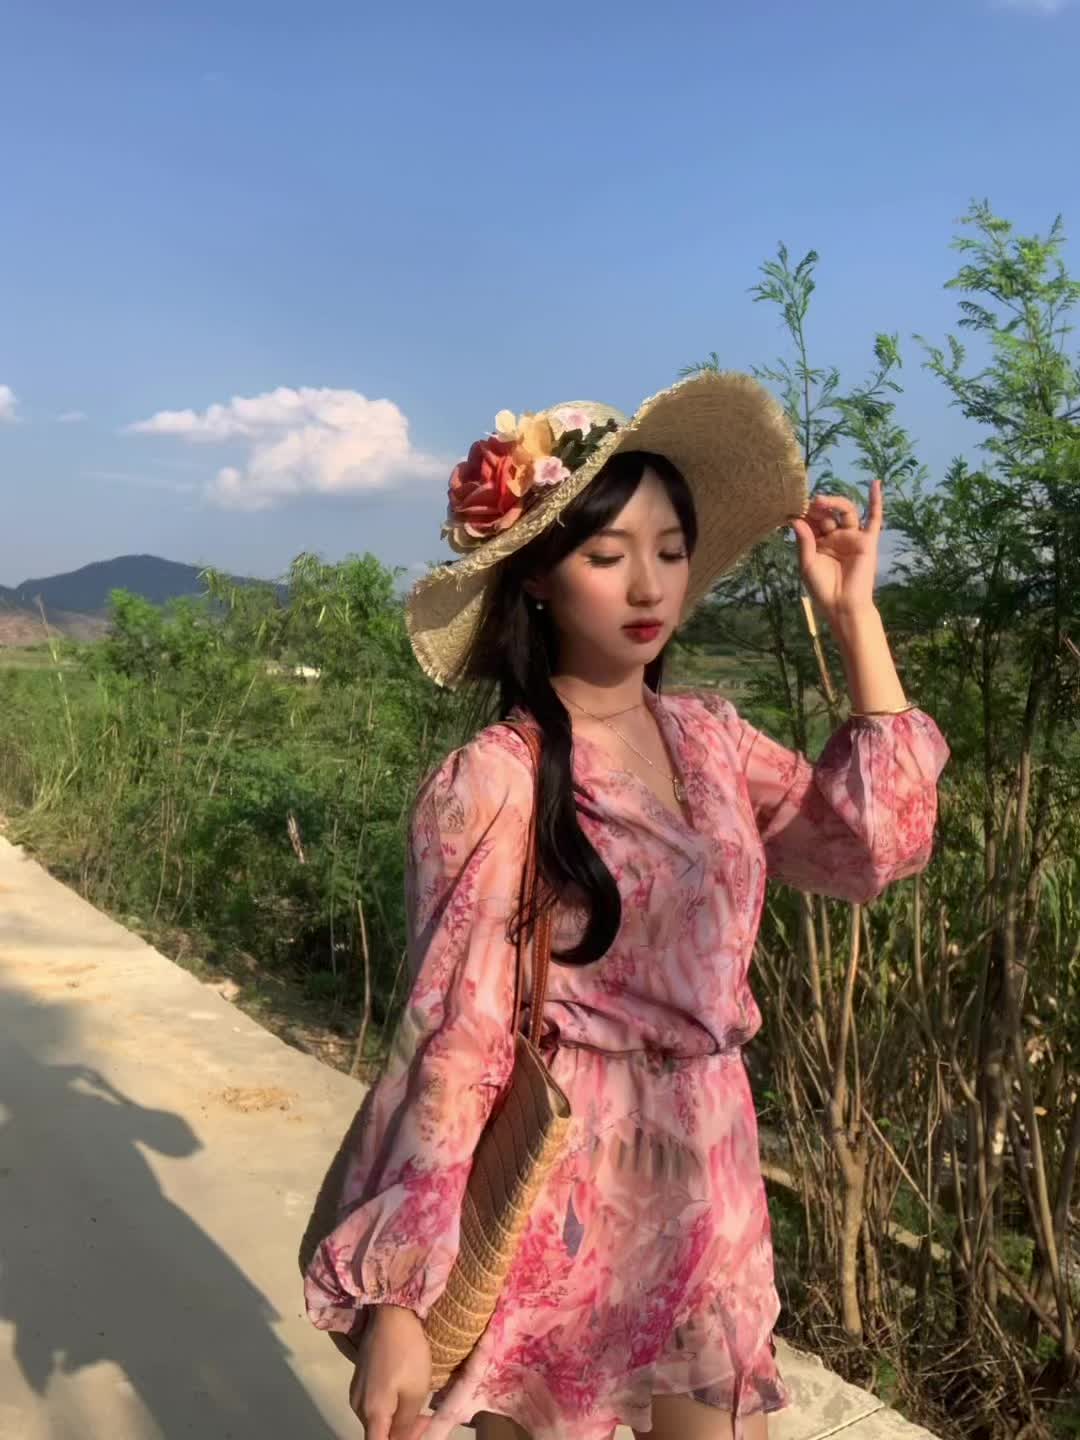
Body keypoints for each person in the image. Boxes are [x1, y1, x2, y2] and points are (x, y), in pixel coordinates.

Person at [303, 374, 950, 1440]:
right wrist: (403, 1301)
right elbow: (451, 1036)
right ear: (539, 578)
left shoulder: (712, 739)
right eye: (607, 556)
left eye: (671, 549)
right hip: (565, 1198)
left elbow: (871, 844)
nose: (649, 584)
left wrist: (855, 618)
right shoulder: (495, 779)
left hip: (709, 1175)